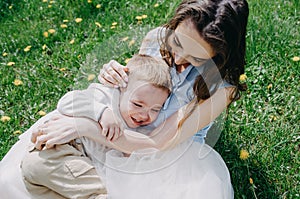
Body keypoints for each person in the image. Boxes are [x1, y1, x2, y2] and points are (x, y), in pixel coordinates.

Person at [0, 0, 249, 198]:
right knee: (27, 168)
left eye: (196, 59)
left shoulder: (220, 88)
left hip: (162, 155)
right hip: (119, 127)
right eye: (177, 43)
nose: (180, 58)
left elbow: (157, 143)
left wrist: (85, 126)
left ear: (219, 56)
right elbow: (136, 85)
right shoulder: (156, 39)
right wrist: (114, 76)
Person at [20, 54, 172, 199]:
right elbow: (67, 101)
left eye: (155, 109)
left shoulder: (141, 127)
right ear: (120, 88)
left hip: (80, 167)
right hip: (62, 149)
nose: (144, 115)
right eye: (137, 104)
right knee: (38, 166)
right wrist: (101, 112)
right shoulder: (104, 96)